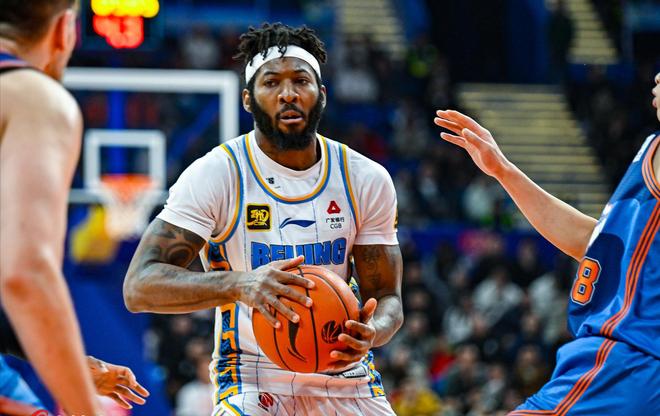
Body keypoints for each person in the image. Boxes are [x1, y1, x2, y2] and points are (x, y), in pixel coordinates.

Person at [124, 22, 403, 415]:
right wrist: (241, 284)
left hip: (346, 375)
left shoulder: (365, 178)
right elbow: (139, 286)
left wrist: (373, 331)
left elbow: (388, 297)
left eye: (300, 81)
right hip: (253, 379)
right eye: (271, 82)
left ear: (321, 95)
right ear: (247, 99)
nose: (288, 93)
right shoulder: (217, 174)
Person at [433, 71, 660, 414]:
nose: (656, 77)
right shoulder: (650, 149)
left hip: (626, 361)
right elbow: (590, 241)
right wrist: (504, 171)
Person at [0, 0, 148, 413]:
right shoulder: (31, 96)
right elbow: (26, 275)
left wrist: (78, 367)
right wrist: (83, 404)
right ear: (65, 29)